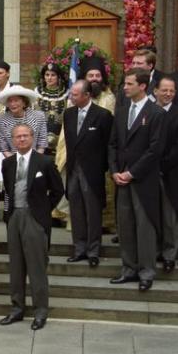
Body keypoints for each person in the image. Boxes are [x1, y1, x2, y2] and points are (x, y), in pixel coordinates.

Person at [0, 124, 64, 330]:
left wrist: (43, 210)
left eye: (25, 136)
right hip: (14, 217)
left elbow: (58, 190)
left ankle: (40, 311)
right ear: (12, 140)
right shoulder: (8, 163)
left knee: (36, 266)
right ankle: (17, 308)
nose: (22, 139)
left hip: (34, 217)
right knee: (16, 266)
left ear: (33, 138)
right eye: (17, 136)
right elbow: (7, 192)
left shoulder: (44, 162)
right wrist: (8, 215)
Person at [108, 68, 165, 291]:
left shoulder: (156, 113)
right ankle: (128, 269)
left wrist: (132, 173)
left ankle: (146, 272)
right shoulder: (121, 112)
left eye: (129, 84)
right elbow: (112, 144)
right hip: (121, 179)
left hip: (143, 181)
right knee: (126, 226)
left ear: (142, 86)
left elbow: (155, 149)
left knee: (145, 227)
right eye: (125, 83)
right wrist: (115, 171)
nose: (125, 87)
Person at [60, 80, 113, 268]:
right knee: (76, 212)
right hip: (74, 170)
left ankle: (93, 250)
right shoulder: (68, 114)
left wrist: (103, 168)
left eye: (75, 94)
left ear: (86, 95)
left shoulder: (103, 116)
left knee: (93, 212)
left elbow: (109, 145)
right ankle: (79, 248)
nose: (71, 97)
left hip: (93, 172)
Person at [154, 75, 178, 273]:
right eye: (165, 90)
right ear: (155, 91)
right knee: (152, 216)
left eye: (172, 91)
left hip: (171, 173)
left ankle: (169, 255)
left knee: (170, 217)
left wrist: (162, 165)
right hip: (148, 174)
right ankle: (154, 252)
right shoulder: (148, 111)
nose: (168, 94)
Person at [34, 63, 68, 156]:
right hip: (40, 136)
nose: (49, 78)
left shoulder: (66, 95)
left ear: (58, 77)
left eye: (53, 75)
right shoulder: (36, 94)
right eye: (47, 75)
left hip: (61, 137)